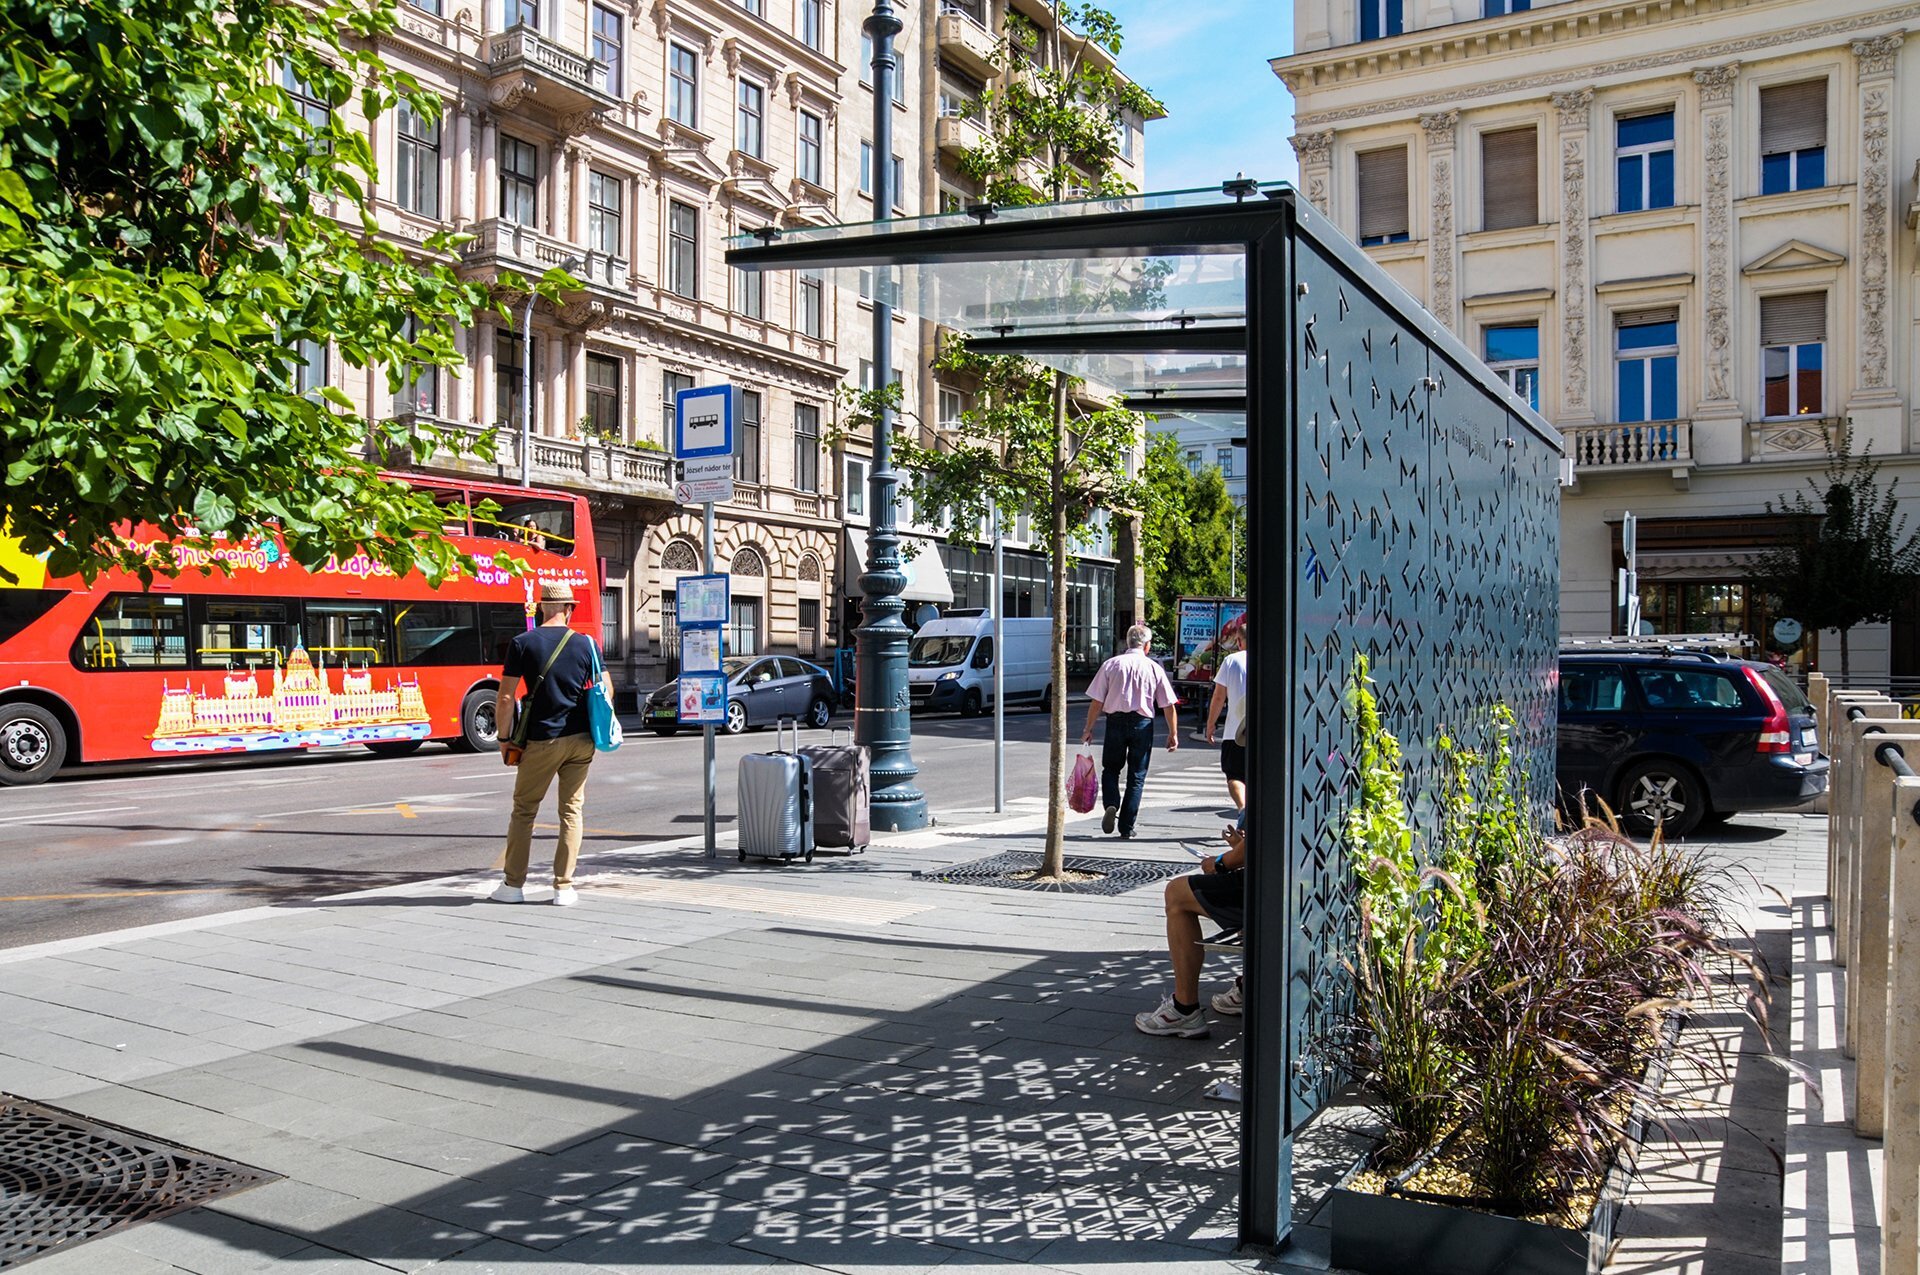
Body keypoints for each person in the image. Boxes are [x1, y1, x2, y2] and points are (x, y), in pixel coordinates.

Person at [491, 582, 611, 906]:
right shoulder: (587, 644)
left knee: (524, 811)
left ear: (542, 607)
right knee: (571, 811)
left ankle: (513, 886)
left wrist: (504, 739)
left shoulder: (522, 643)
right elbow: (607, 691)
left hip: (542, 739)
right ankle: (564, 888)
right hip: (582, 740)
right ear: (570, 609)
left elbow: (505, 698)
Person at [1136, 813, 1247, 1038]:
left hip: (1275, 890)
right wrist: (1239, 850)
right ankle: (1248, 986)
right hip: (1306, 886)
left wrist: (1221, 862)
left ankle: (1184, 1009)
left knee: (1177, 893)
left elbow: (1265, 838)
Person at [1080, 624, 1179, 840]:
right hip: (1142, 724)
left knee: (1111, 769)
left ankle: (1111, 803)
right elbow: (1168, 704)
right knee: (1137, 776)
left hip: (1115, 721)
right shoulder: (1154, 668)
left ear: (1128, 642)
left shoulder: (1111, 664)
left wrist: (1088, 729)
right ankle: (1126, 826)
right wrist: (1173, 733)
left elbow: (1097, 701)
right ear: (1147, 645)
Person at [1204, 624, 1249, 811]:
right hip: (1267, 733)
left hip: (1235, 732)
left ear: (1239, 641)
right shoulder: (1273, 658)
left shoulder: (1231, 661)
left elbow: (1219, 696)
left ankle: (1243, 809)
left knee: (1235, 776)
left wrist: (1210, 724)